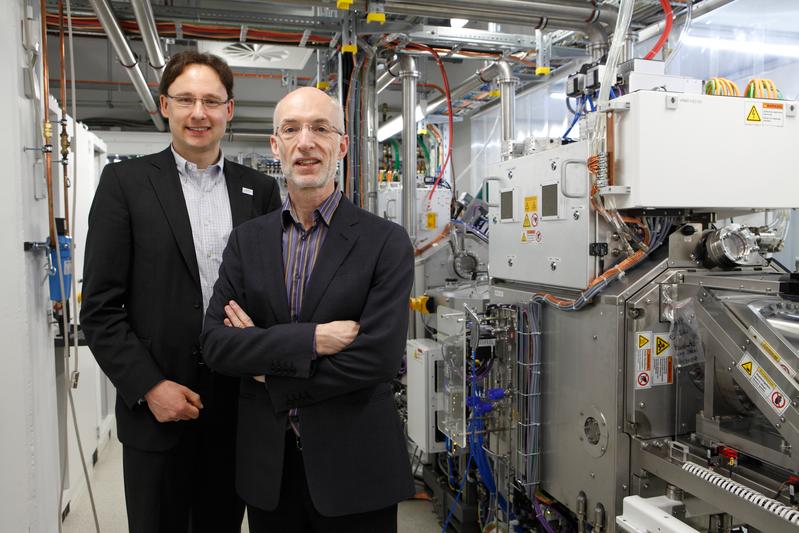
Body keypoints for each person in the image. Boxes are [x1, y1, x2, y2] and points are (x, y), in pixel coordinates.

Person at [80, 51, 282, 533]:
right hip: (158, 408)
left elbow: (272, 297)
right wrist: (149, 387)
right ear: (164, 105)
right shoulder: (124, 183)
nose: (199, 113)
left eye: (211, 101)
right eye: (186, 99)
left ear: (229, 111)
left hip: (236, 409)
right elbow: (101, 310)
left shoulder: (260, 191)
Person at [201, 86, 415, 532]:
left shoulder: (385, 242)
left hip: (357, 468)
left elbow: (376, 359)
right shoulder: (247, 242)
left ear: (341, 145)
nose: (305, 142)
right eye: (291, 129)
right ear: (275, 145)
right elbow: (217, 344)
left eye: (320, 128)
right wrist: (314, 340)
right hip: (269, 472)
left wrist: (268, 369)